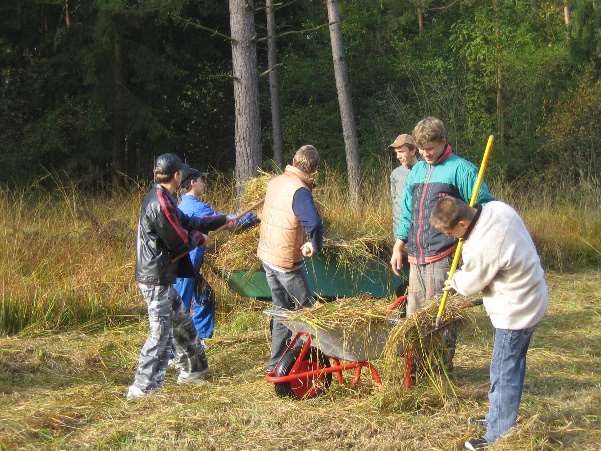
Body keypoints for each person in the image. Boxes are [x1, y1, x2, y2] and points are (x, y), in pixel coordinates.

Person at [430, 196, 548, 450]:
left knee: (504, 371)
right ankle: (499, 417)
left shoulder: (483, 245)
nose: (452, 238)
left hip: (517, 310)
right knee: (511, 364)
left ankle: (498, 433)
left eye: (450, 232)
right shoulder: (496, 208)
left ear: (462, 224)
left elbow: (471, 283)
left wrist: (455, 282)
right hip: (531, 293)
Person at [390, 116, 495, 368]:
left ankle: (439, 368)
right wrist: (398, 244)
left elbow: (486, 206)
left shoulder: (461, 169)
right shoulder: (416, 171)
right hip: (416, 257)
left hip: (445, 254)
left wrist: (472, 239)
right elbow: (407, 211)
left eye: (431, 149)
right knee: (415, 316)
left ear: (443, 142)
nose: (426, 154)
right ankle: (416, 366)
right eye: (422, 149)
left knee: (441, 316)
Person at [127, 153, 234, 400]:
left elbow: (188, 220)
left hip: (164, 276)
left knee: (182, 322)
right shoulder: (159, 203)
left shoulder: (166, 198)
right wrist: (198, 238)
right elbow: (177, 238)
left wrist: (221, 221)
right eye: (181, 174)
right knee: (161, 332)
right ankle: (143, 387)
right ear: (176, 176)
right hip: (155, 277)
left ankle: (194, 370)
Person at [257, 145, 323, 373]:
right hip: (285, 260)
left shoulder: (275, 182)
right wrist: (314, 243)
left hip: (267, 255)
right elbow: (313, 222)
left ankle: (275, 363)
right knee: (307, 311)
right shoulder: (300, 190)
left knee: (281, 310)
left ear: (294, 160)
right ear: (314, 168)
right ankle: (311, 362)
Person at [173, 166, 257, 345]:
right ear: (193, 182)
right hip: (185, 266)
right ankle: (174, 352)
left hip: (189, 265)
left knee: (204, 296)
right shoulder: (195, 207)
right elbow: (225, 221)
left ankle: (201, 339)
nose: (204, 183)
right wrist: (252, 217)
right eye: (201, 180)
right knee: (181, 308)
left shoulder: (184, 204)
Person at [389, 133, 419, 236]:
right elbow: (395, 203)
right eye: (396, 153)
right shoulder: (395, 174)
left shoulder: (426, 171)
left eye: (401, 152)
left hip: (420, 235)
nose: (398, 156)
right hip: (400, 235)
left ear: (413, 150)